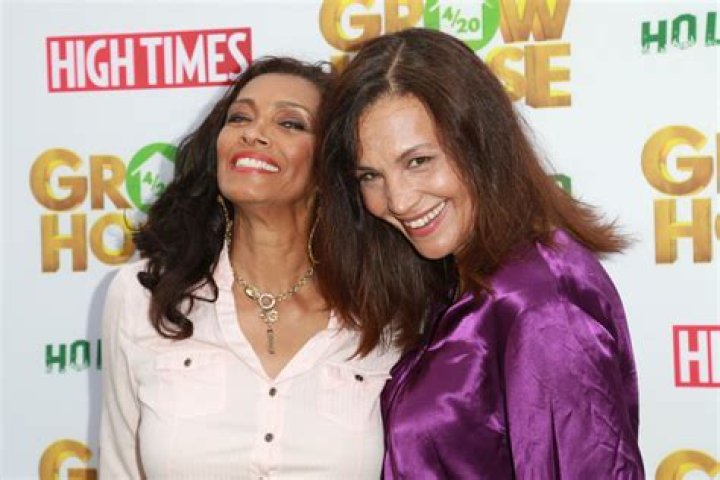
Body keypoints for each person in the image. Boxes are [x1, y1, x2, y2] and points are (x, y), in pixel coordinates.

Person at [314, 28, 644, 478]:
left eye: (418, 161)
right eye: (370, 176)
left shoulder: (541, 305)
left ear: (481, 143)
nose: (399, 201)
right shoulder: (461, 280)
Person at [100, 56, 399, 479]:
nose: (253, 133)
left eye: (290, 123)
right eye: (239, 117)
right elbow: (120, 468)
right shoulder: (144, 294)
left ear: (329, 165)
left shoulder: (386, 309)